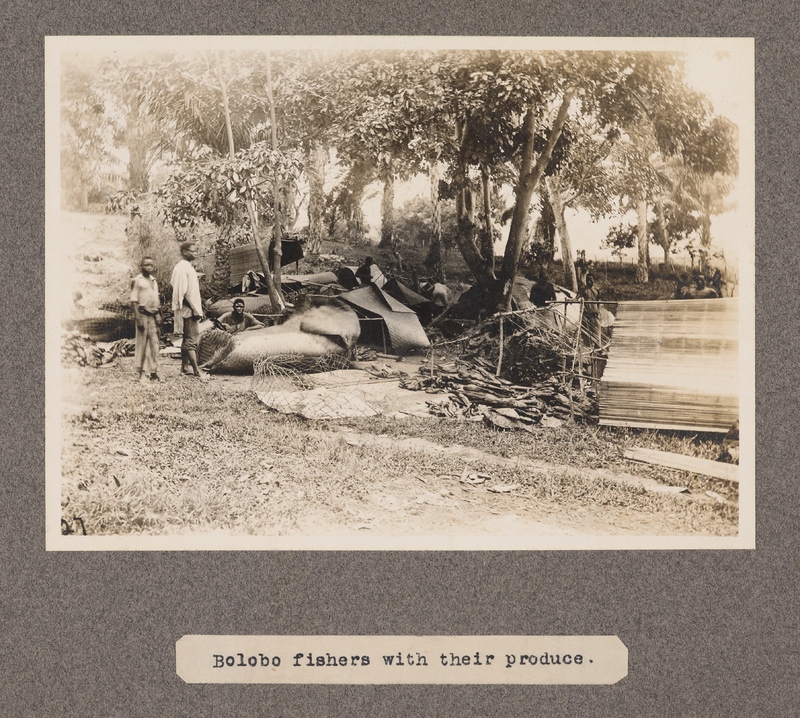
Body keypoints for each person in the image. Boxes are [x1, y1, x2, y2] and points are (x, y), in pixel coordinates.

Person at [170, 241, 207, 380]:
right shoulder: (181, 268)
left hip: (190, 308)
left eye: (196, 250)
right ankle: (197, 371)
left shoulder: (188, 267)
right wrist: (194, 309)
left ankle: (185, 367)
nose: (196, 253)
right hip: (188, 309)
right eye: (193, 251)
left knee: (187, 339)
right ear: (185, 252)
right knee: (191, 340)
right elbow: (182, 293)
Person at [129, 256, 162, 383]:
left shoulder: (154, 281)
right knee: (142, 344)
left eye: (151, 265)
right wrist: (138, 318)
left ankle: (153, 371)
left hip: (153, 315)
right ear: (141, 266)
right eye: (146, 265)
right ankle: (141, 372)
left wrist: (159, 314)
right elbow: (134, 301)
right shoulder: (137, 280)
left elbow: (156, 299)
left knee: (154, 344)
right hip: (142, 314)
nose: (149, 267)